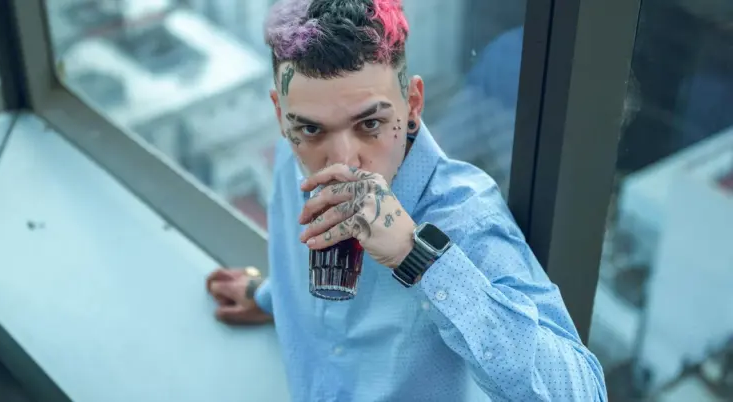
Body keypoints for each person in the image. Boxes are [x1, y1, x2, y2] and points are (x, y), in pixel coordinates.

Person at [205, 0, 607, 400]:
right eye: (312, 129)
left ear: (413, 104)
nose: (343, 161)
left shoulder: (466, 218)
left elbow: (584, 394)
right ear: (281, 115)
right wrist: (271, 298)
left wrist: (417, 257)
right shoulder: (288, 161)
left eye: (370, 124)